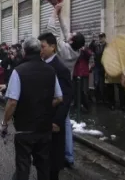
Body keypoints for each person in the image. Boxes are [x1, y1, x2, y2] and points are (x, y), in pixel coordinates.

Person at [0, 37, 63, 180]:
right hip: (44, 128)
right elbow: (59, 98)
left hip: (24, 129)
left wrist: (4, 123)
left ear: (24, 51)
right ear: (40, 50)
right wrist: (44, 105)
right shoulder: (51, 70)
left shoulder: (18, 71)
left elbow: (12, 102)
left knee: (23, 167)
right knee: (43, 166)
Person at [46, 4, 85, 168]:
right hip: (66, 89)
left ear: (71, 40)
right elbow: (64, 31)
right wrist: (61, 15)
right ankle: (69, 156)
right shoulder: (76, 51)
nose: (69, 33)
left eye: (72, 35)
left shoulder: (63, 48)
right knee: (66, 122)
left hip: (55, 89)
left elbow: (51, 32)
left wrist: (54, 13)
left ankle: (50, 152)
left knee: (53, 120)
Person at [38, 32, 73, 180]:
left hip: (53, 121)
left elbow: (66, 97)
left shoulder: (60, 68)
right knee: (42, 159)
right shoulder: (41, 64)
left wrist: (57, 121)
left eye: (43, 46)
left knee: (53, 163)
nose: (40, 49)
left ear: (52, 47)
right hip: (42, 120)